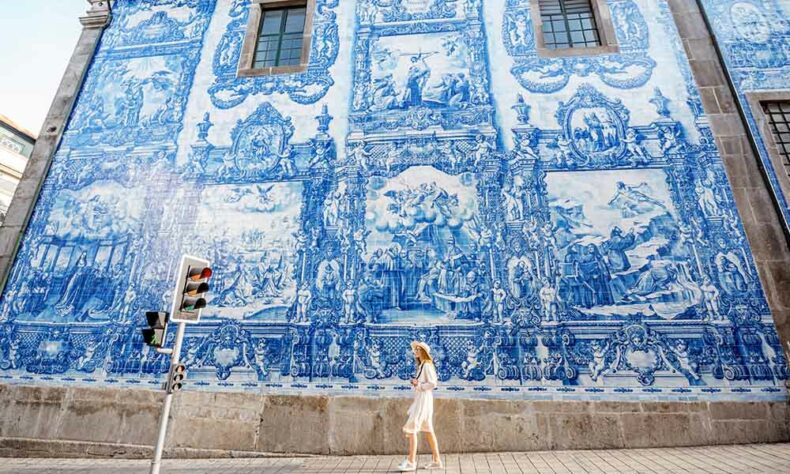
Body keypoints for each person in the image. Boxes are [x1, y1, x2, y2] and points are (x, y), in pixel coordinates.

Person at [399, 341, 442, 471]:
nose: (415, 352)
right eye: (415, 350)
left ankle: (411, 461)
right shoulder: (422, 365)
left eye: (418, 350)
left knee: (412, 427)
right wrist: (417, 382)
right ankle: (437, 461)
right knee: (428, 429)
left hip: (423, 399)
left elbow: (433, 383)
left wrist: (419, 385)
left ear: (423, 351)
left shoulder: (427, 365)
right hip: (422, 398)